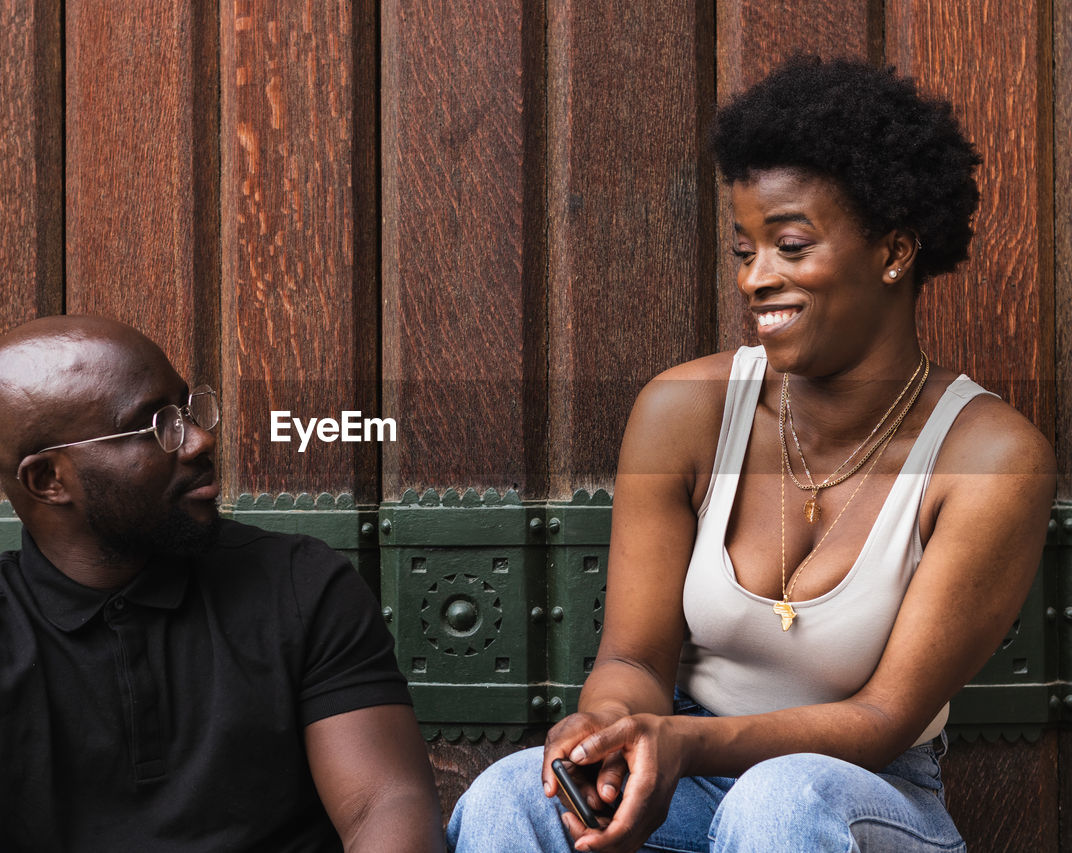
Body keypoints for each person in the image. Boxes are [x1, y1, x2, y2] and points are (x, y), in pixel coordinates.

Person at [448, 55, 1055, 852]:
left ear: (895, 251)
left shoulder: (992, 457)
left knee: (776, 799)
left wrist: (682, 745)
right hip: (685, 771)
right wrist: (609, 724)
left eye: (791, 246)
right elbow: (634, 653)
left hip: (861, 792)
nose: (755, 280)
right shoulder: (685, 411)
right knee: (508, 796)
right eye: (744, 251)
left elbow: (880, 721)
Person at [0, 315, 443, 852]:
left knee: (511, 797)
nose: (198, 438)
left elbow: (384, 804)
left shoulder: (300, 582)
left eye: (189, 407)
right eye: (157, 424)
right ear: (49, 480)